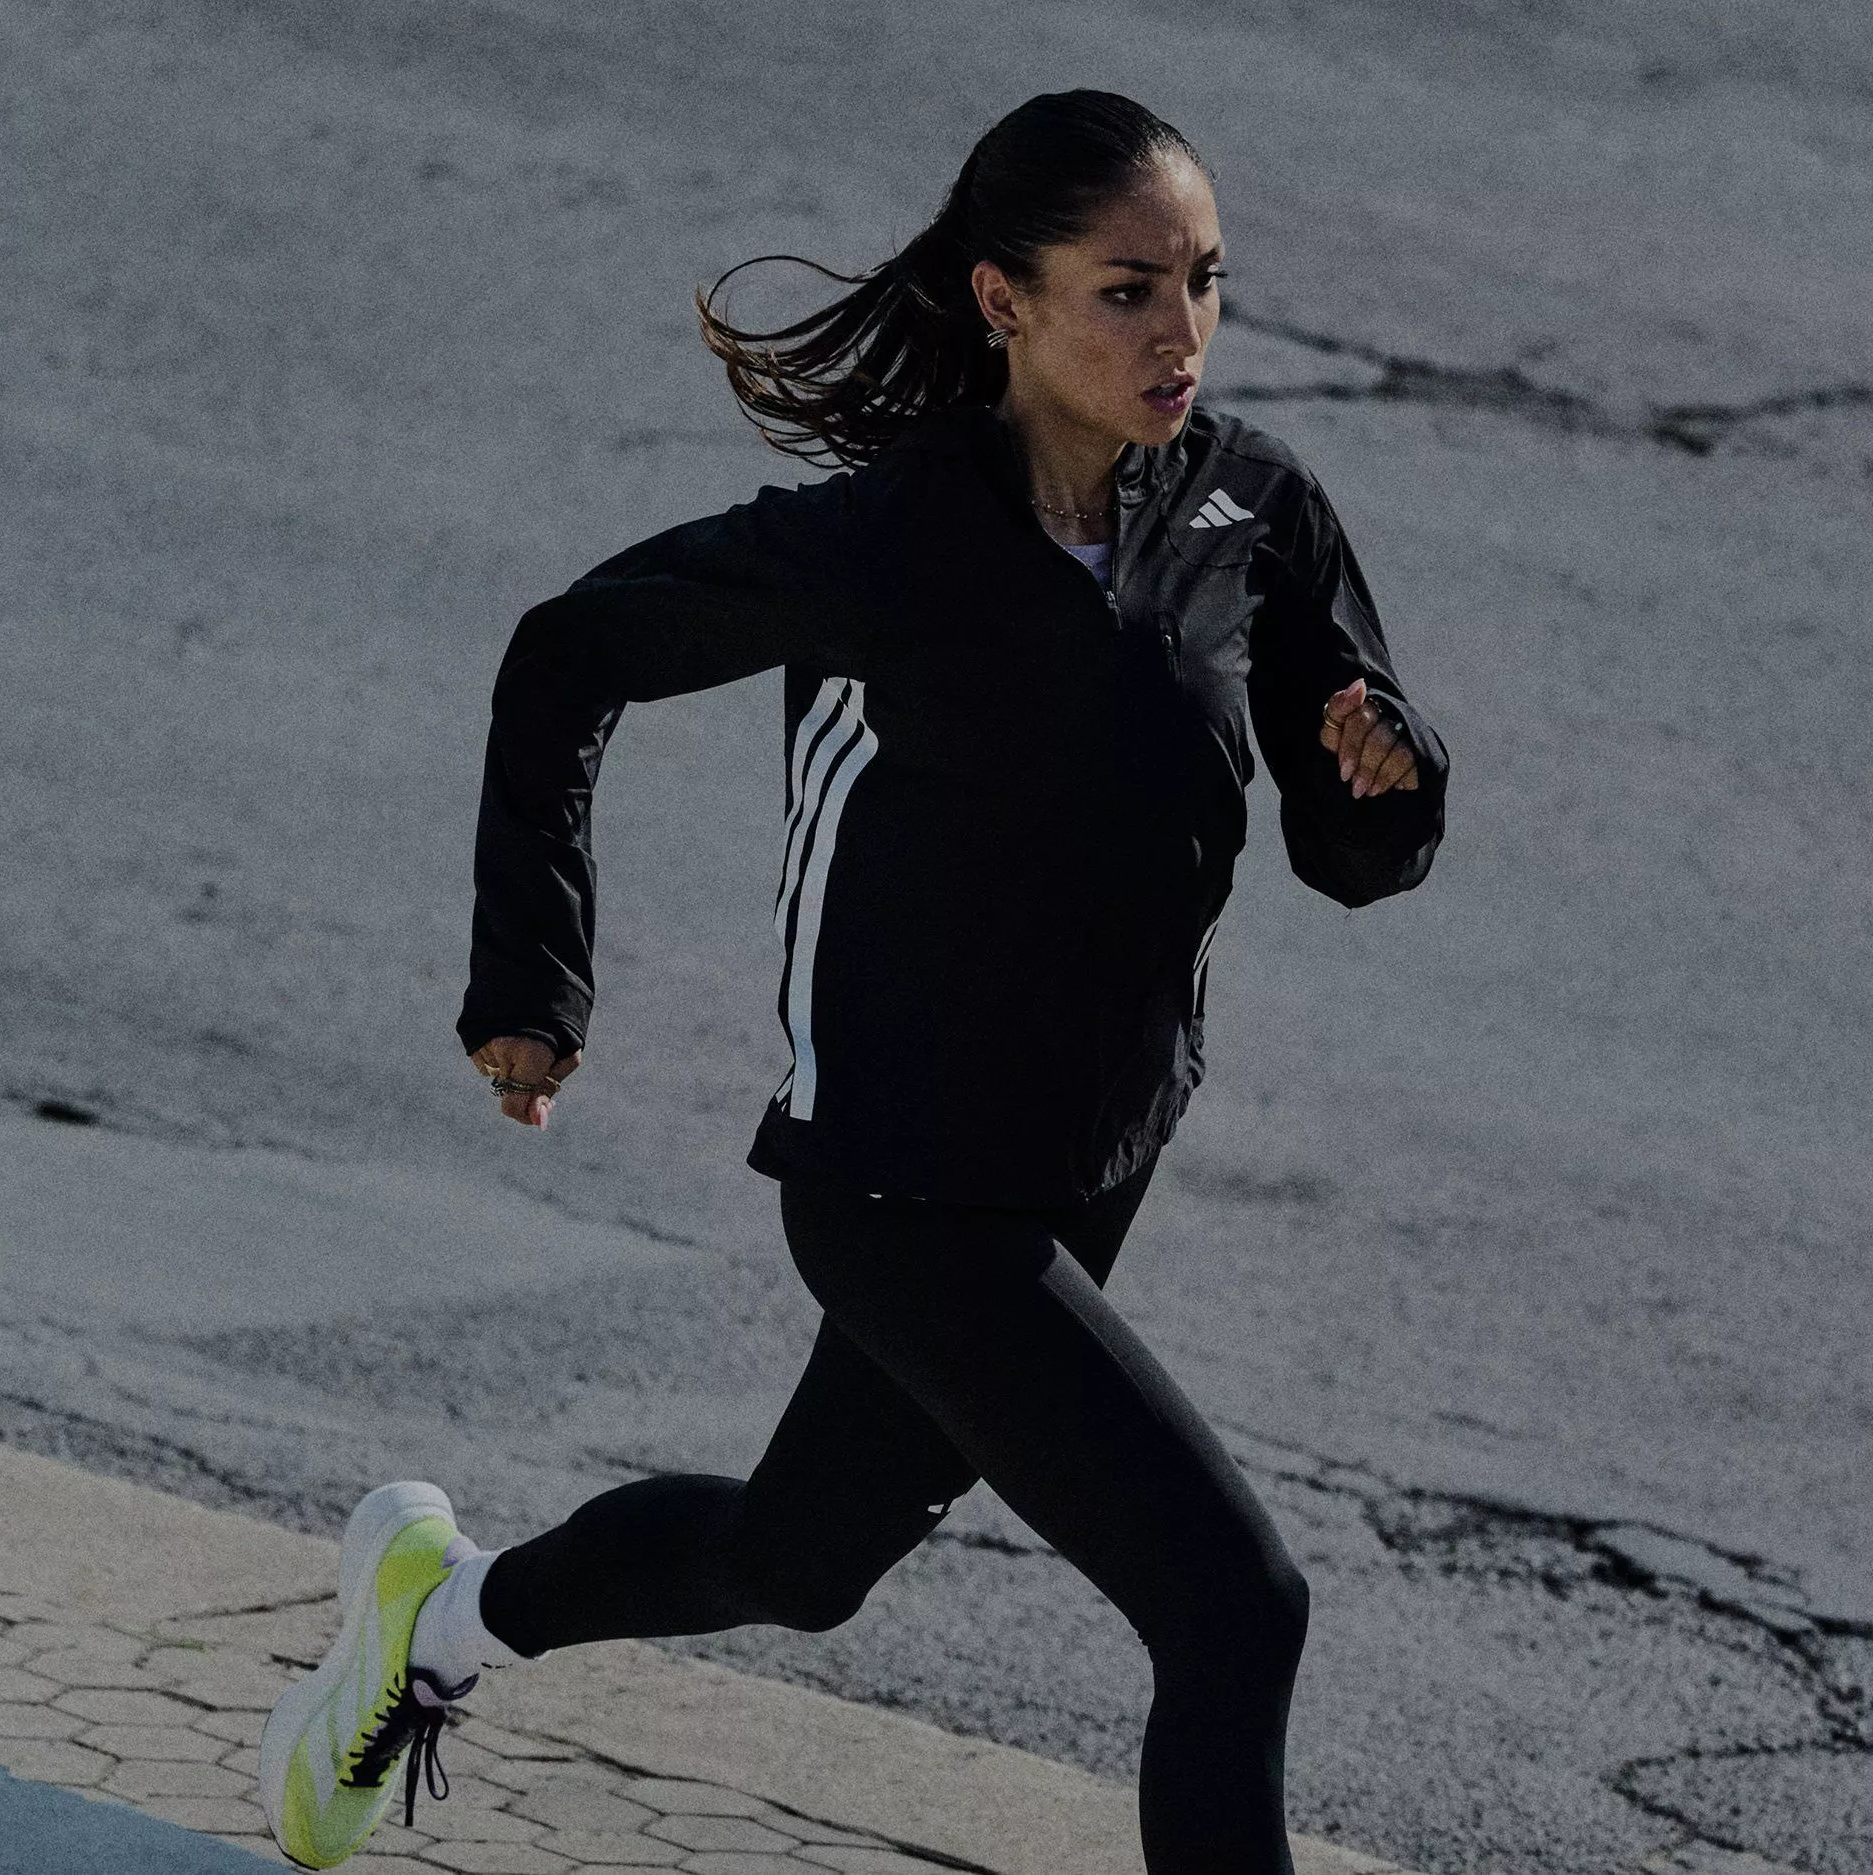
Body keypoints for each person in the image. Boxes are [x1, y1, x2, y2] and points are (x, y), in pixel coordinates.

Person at [261, 88, 1449, 1874]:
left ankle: (434, 1620)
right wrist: (535, 972)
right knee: (1235, 1608)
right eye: (1126, 289)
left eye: (1204, 280)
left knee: (796, 1563)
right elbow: (569, 650)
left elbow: (1347, 845)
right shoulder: (885, 547)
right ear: (1004, 302)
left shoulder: (1250, 512)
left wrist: (1391, 773)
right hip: (899, 1183)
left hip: (1083, 1164)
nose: (1179, 330)